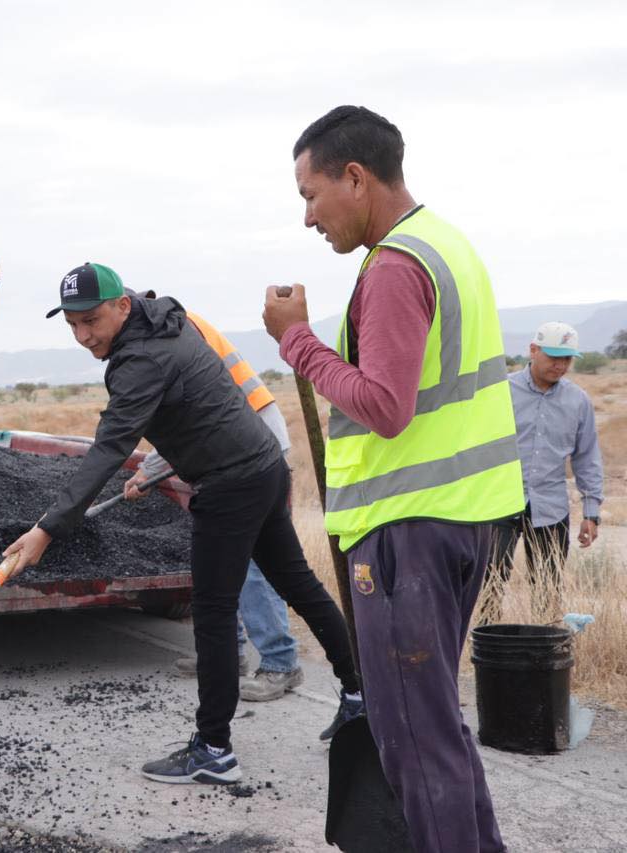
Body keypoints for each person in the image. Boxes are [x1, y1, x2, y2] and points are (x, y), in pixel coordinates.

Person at [263, 105, 525, 853]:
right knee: (433, 723)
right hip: (460, 520)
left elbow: (384, 405)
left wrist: (298, 342)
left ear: (355, 176)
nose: (309, 217)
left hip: (410, 533)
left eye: (311, 195)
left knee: (412, 737)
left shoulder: (394, 268)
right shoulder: (447, 245)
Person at [5, 262, 360, 786]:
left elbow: (108, 448)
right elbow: (190, 411)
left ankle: (214, 749)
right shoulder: (165, 320)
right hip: (263, 465)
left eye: (91, 321)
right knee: (298, 584)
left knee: (214, 613)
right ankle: (359, 697)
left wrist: (47, 528)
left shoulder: (140, 359)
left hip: (230, 483)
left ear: (122, 305)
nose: (83, 336)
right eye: (72, 325)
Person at [127, 304, 303, 702]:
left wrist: (148, 470)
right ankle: (228, 654)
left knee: (254, 564)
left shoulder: (172, 338)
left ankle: (281, 663)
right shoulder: (173, 329)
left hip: (254, 446)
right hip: (227, 450)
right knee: (225, 559)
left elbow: (197, 417)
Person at [481, 321, 604, 621]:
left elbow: (586, 457)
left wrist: (591, 512)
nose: (560, 365)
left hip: (551, 508)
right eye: (553, 357)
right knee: (489, 586)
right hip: (499, 504)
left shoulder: (578, 401)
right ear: (533, 351)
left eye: (567, 359)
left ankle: (542, 654)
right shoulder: (499, 392)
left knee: (548, 589)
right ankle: (488, 655)